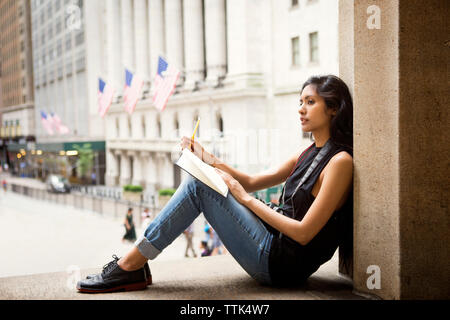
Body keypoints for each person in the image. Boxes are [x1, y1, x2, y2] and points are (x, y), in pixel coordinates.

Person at [77, 75, 354, 293]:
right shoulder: (306, 152)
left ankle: (132, 264)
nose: (300, 109)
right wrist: (206, 157)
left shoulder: (340, 162)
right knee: (200, 181)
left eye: (310, 102)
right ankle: (135, 262)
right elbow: (252, 180)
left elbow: (305, 233)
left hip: (280, 264)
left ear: (333, 108)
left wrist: (245, 199)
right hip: (272, 242)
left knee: (198, 186)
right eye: (300, 102)